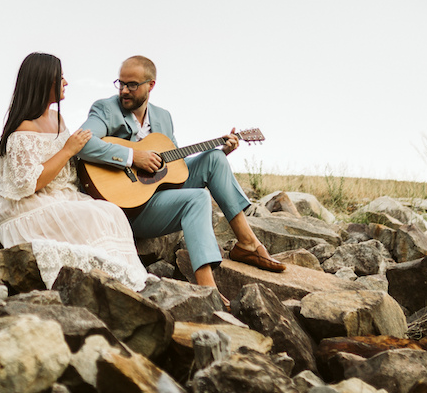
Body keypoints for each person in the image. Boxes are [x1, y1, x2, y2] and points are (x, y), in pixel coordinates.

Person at [76, 55, 285, 299]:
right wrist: (134, 156)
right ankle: (208, 290)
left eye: (132, 84)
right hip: (127, 208)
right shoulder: (106, 109)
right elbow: (83, 143)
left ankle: (247, 244)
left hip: (157, 196)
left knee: (214, 159)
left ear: (150, 85)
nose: (124, 90)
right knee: (197, 198)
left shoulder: (163, 117)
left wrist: (224, 151)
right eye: (120, 83)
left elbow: (175, 168)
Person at [0, 52, 149, 290]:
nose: (66, 82)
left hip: (60, 195)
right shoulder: (23, 128)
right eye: (61, 77)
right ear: (44, 81)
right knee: (91, 216)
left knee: (111, 211)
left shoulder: (58, 118)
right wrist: (67, 150)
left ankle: (124, 279)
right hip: (28, 204)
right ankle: (101, 281)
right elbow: (28, 184)